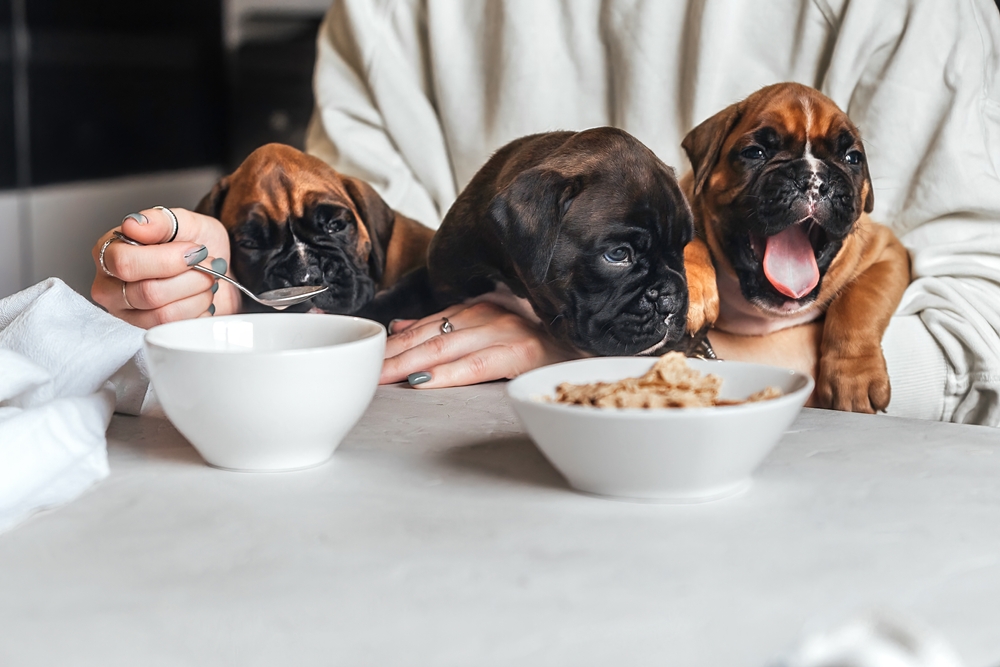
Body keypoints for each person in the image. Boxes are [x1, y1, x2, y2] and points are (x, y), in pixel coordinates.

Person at [92, 0, 1000, 425]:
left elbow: (975, 325)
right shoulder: (381, 16)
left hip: (809, 462)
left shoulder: (908, 11)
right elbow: (372, 258)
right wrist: (236, 283)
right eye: (763, 152)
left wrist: (611, 350)